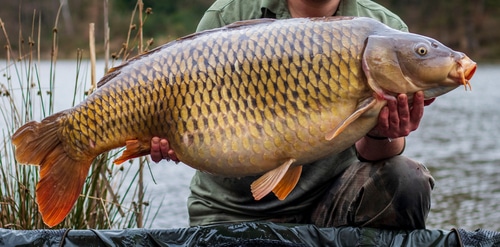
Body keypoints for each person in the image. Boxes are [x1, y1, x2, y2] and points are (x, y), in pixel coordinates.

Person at [150, 0, 436, 229]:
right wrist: (176, 140)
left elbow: (375, 155)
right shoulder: (228, 14)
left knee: (407, 179)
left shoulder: (386, 30)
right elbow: (191, 125)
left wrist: (382, 132)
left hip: (331, 203)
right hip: (231, 210)